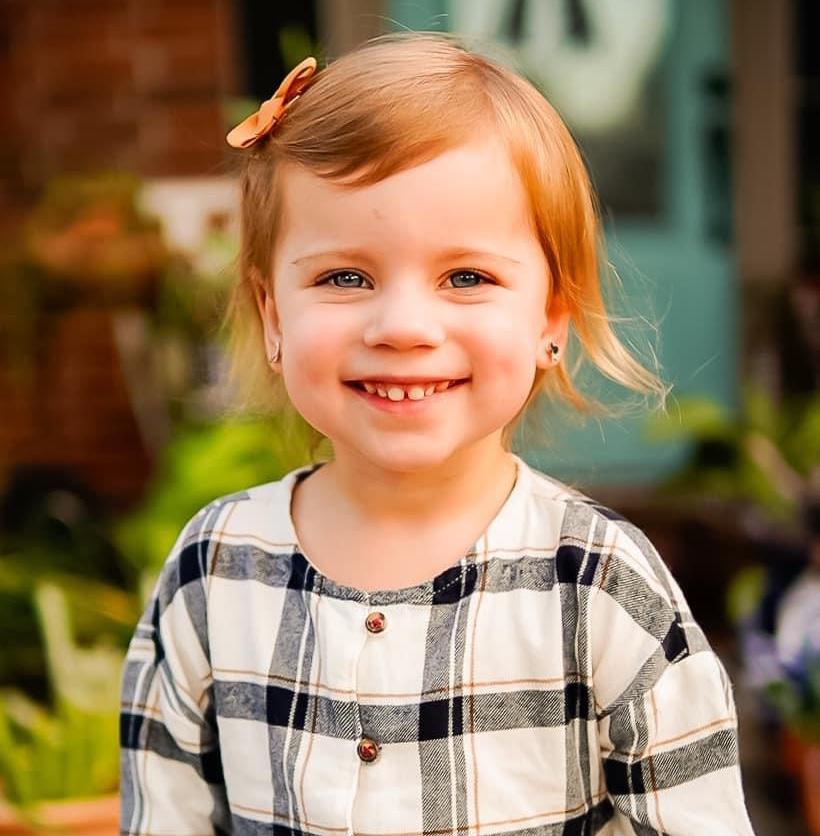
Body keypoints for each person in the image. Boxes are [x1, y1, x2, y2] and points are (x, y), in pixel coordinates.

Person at [119, 32, 755, 835]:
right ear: (273, 316)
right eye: (345, 277)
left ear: (550, 319)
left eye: (466, 277)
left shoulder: (598, 584)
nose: (403, 326)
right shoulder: (213, 572)